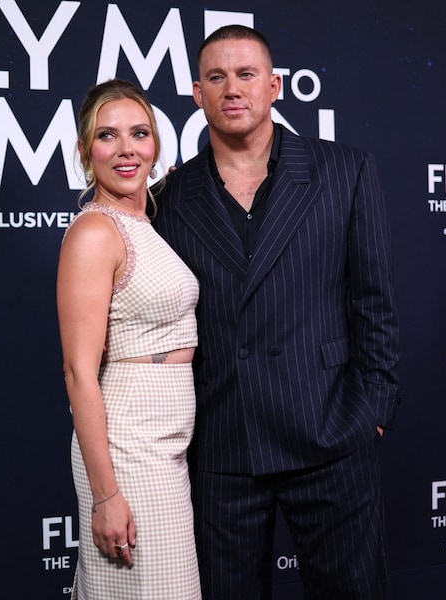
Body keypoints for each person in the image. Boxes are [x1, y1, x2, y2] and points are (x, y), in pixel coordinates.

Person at [153, 25, 402, 599]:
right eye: (216, 77)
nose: (232, 89)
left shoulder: (345, 170)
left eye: (246, 75)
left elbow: (374, 300)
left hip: (330, 430)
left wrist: (374, 407)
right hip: (222, 441)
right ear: (196, 92)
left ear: (275, 86)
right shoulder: (169, 196)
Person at [57, 79, 202, 600]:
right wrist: (105, 496)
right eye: (107, 136)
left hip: (167, 442)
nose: (126, 150)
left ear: (156, 144)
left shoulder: (145, 222)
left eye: (139, 133)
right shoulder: (95, 231)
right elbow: (79, 372)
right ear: (84, 150)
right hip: (128, 444)